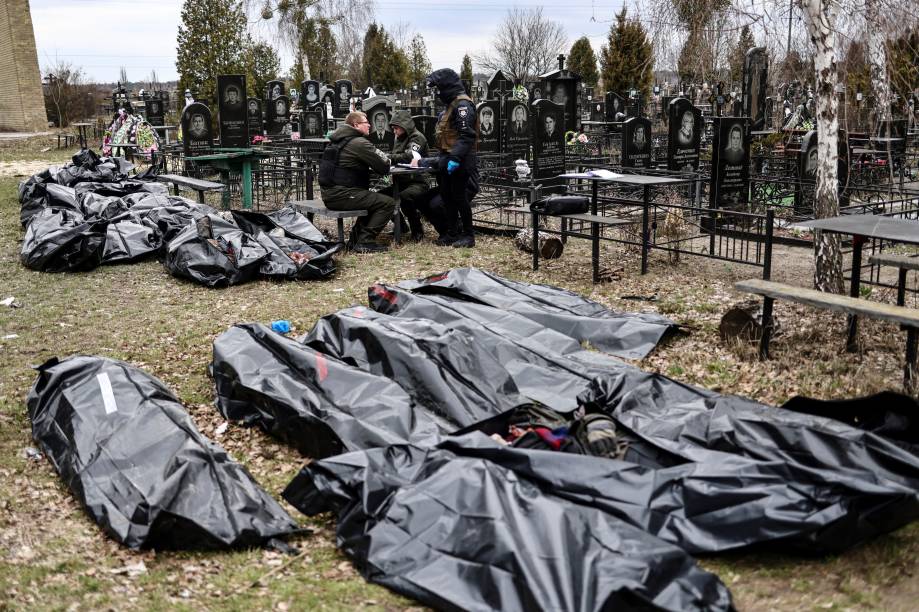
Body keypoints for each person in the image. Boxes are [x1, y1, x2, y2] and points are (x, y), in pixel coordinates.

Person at [319, 111, 394, 253]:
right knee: (387, 203)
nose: (369, 125)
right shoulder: (358, 143)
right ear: (356, 125)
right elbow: (384, 166)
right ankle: (365, 241)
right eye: (366, 122)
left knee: (373, 200)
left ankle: (355, 239)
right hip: (342, 194)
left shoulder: (339, 140)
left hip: (332, 194)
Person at [426, 67, 478, 248]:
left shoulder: (463, 105)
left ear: (447, 87)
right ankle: (452, 233)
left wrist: (455, 158)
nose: (438, 93)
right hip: (447, 158)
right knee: (447, 196)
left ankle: (468, 235)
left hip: (461, 159)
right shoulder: (452, 105)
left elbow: (467, 135)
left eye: (439, 89)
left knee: (459, 198)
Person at [380, 110, 429, 241]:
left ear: (404, 126)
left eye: (396, 128)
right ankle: (401, 226)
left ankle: (417, 231)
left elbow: (409, 156)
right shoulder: (399, 138)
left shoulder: (417, 137)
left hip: (417, 181)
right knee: (381, 197)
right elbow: (398, 157)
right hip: (401, 181)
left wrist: (387, 157)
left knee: (406, 198)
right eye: (393, 128)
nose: (394, 131)